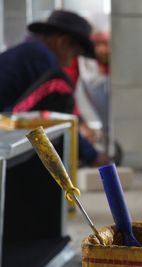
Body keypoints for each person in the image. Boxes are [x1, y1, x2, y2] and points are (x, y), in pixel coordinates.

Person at [0, 10, 110, 166]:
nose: (69, 62)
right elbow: (58, 116)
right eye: (74, 54)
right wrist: (92, 156)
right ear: (62, 43)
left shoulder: (30, 53)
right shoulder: (42, 58)